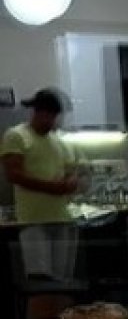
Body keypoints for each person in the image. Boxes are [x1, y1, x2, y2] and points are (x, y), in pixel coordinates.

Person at [1, 89, 81, 280]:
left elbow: (72, 170)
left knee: (62, 280)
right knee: (40, 281)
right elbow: (14, 174)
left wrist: (73, 181)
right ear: (38, 113)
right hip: (33, 221)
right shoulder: (16, 136)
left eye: (55, 117)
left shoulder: (59, 141)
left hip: (62, 219)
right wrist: (53, 188)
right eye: (50, 117)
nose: (53, 122)